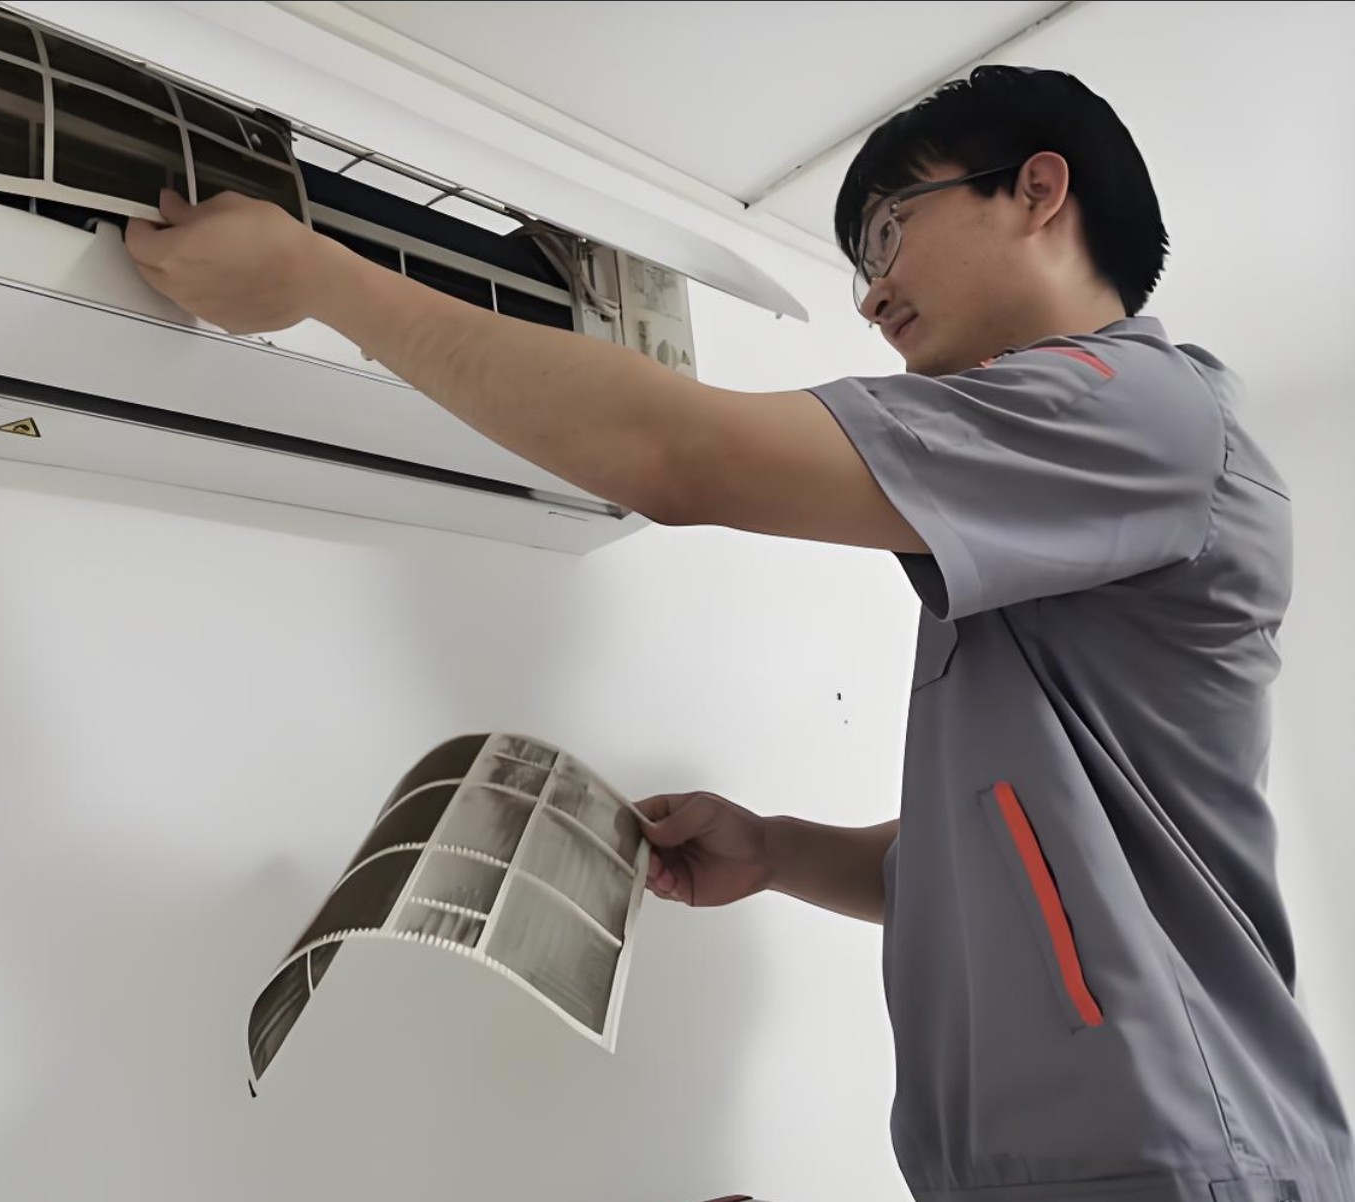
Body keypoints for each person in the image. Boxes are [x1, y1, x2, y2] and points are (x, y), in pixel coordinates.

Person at [125, 64, 1353, 1202]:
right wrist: (774, 848)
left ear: (1035, 190)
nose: (870, 294)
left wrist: (321, 281)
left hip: (1181, 1150)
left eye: (887, 231)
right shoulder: (1064, 493)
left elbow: (677, 455)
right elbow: (1014, 857)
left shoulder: (1140, 408)